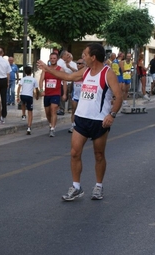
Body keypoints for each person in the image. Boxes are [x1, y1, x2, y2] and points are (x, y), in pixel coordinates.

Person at [36, 43, 123, 201]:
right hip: (82, 118)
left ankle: (98, 186)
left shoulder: (107, 73)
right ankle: (76, 187)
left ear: (93, 57)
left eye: (85, 55)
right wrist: (47, 69)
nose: (83, 57)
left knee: (99, 155)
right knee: (75, 153)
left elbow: (119, 96)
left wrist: (112, 115)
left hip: (99, 121)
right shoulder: (86, 71)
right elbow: (68, 77)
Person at [39, 52, 67, 137]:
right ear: (49, 59)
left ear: (57, 59)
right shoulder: (45, 69)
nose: (52, 60)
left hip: (56, 93)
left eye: (54, 58)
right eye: (51, 58)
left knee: (53, 110)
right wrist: (41, 90)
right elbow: (41, 80)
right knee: (47, 112)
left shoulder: (60, 69)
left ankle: (52, 128)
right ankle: (51, 123)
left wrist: (64, 93)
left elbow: (65, 81)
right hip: (47, 94)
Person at [16, 66, 39, 135]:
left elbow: (19, 87)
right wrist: (37, 96)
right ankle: (29, 127)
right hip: (29, 96)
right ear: (31, 72)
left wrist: (17, 96)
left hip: (23, 95)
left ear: (25, 72)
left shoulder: (23, 79)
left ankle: (23, 115)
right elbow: (36, 89)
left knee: (23, 103)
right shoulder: (34, 80)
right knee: (30, 112)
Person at [68, 58, 85, 133]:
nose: (78, 65)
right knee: (74, 111)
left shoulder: (86, 74)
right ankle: (73, 125)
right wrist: (69, 92)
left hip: (84, 97)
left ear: (84, 65)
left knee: (82, 112)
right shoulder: (75, 74)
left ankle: (82, 126)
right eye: (77, 63)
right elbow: (72, 83)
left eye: (80, 63)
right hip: (75, 96)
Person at [0, 48, 11, 123]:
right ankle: (3, 115)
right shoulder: (6, 62)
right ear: (3, 53)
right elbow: (8, 73)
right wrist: (8, 82)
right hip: (4, 79)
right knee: (3, 98)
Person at [56, 50, 70, 115]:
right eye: (67, 55)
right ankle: (60, 109)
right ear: (63, 55)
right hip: (61, 82)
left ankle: (62, 109)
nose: (68, 56)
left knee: (64, 96)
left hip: (65, 81)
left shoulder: (64, 62)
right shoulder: (60, 63)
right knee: (62, 96)